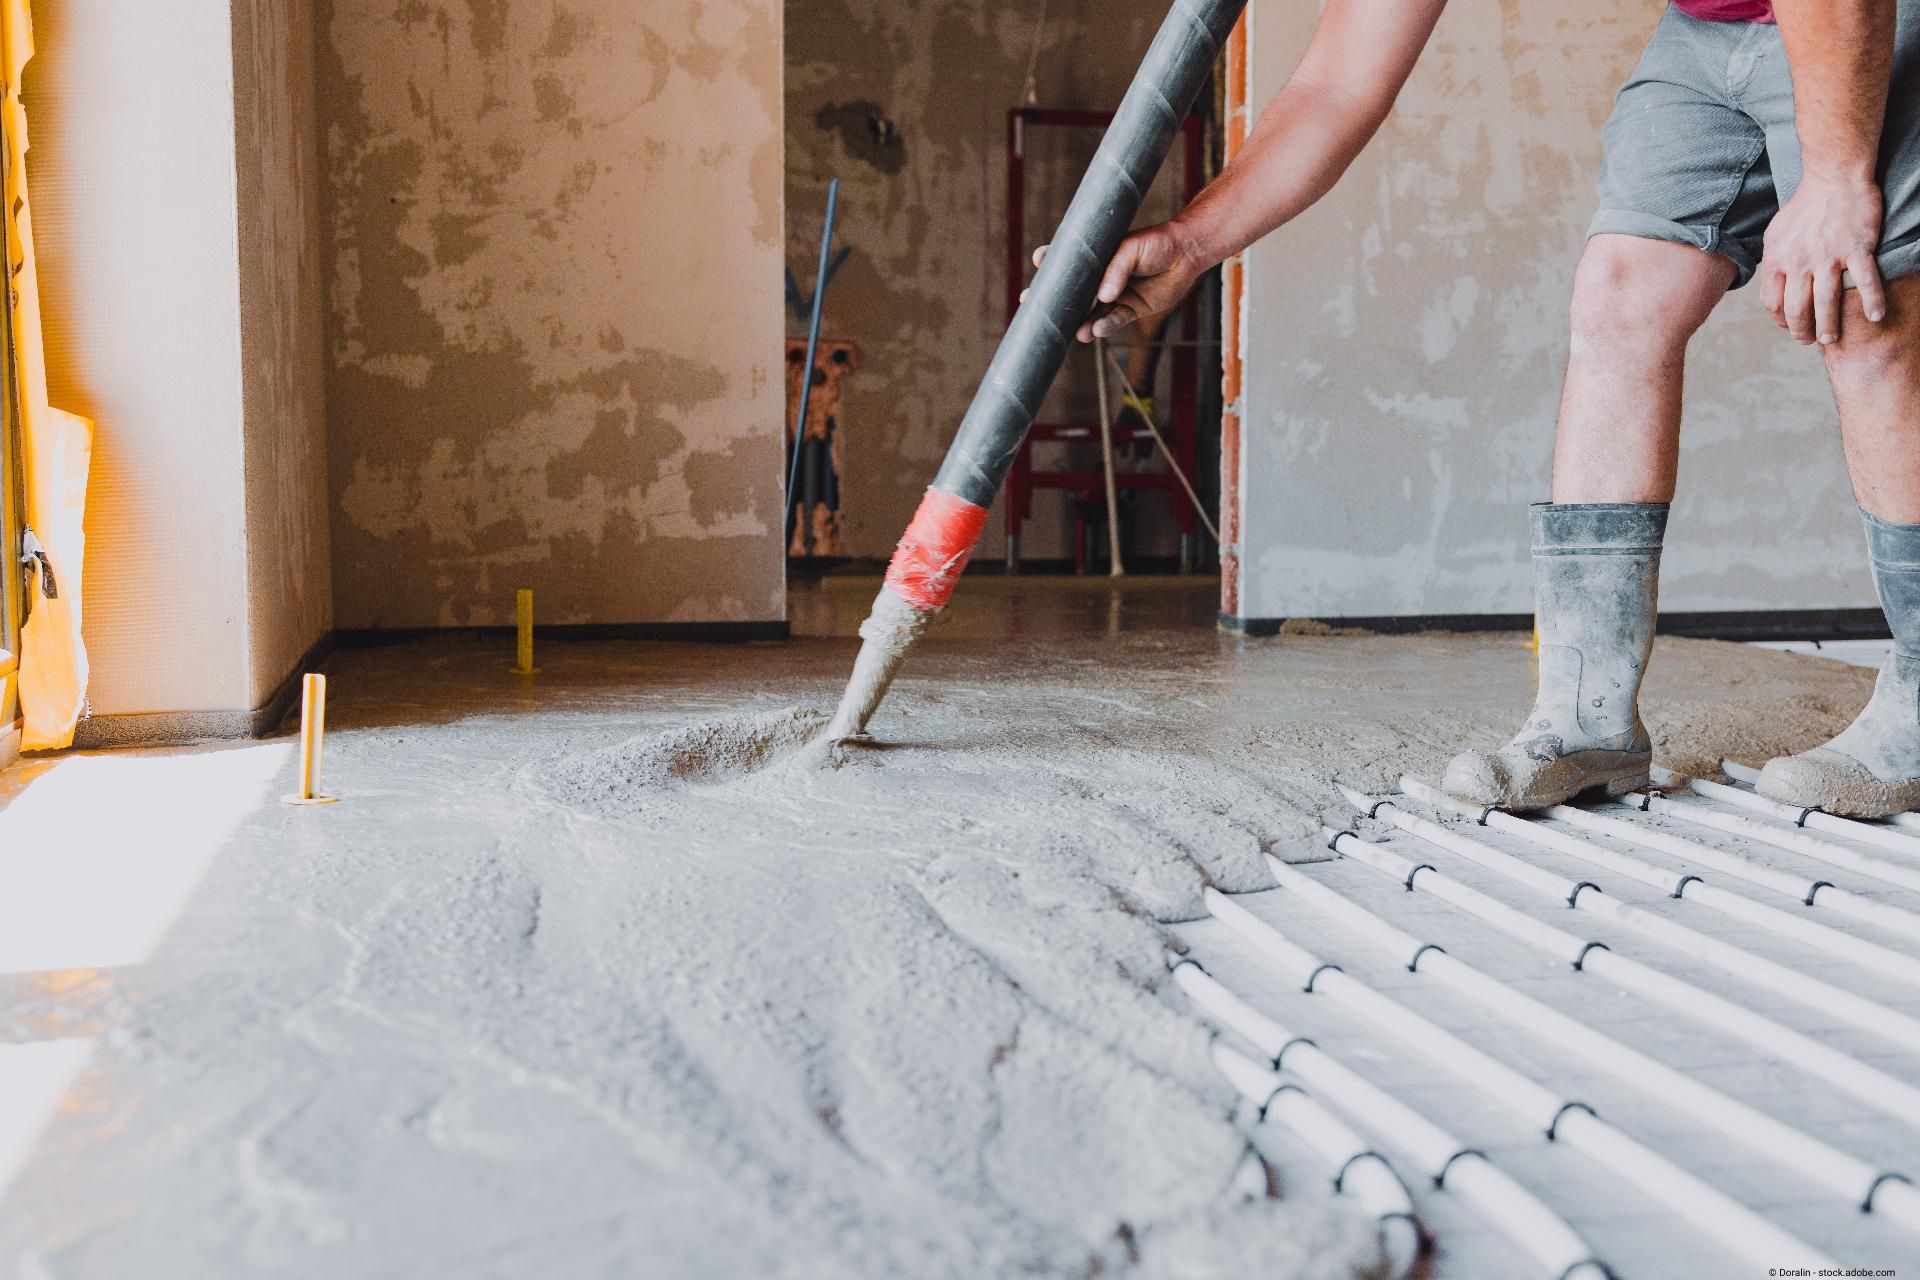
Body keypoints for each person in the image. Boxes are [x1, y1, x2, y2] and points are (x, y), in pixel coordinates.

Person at [1047, 0, 1920, 817]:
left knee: (1859, 305)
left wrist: (1839, 180)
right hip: (1711, 26)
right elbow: (1338, 81)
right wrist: (1192, 246)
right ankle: (1589, 720)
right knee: (1619, 298)